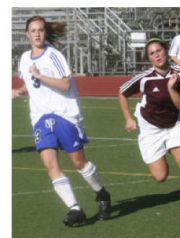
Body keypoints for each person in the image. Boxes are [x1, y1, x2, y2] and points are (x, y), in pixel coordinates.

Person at [12, 16, 111, 227]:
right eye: (33, 30)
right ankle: (75, 209)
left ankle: (101, 193)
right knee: (50, 164)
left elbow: (66, 84)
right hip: (40, 117)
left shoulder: (54, 55)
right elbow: (32, 84)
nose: (37, 34)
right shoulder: (24, 58)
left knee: (78, 162)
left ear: (45, 32)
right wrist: (19, 91)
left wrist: (40, 75)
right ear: (27, 34)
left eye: (40, 30)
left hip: (64, 114)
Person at [118, 37, 180, 214]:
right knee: (160, 176)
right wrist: (128, 119)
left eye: (159, 50)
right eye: (152, 53)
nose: (157, 55)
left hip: (173, 125)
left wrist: (171, 89)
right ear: (149, 58)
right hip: (150, 129)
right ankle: (162, 157)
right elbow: (122, 93)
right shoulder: (145, 78)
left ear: (166, 51)